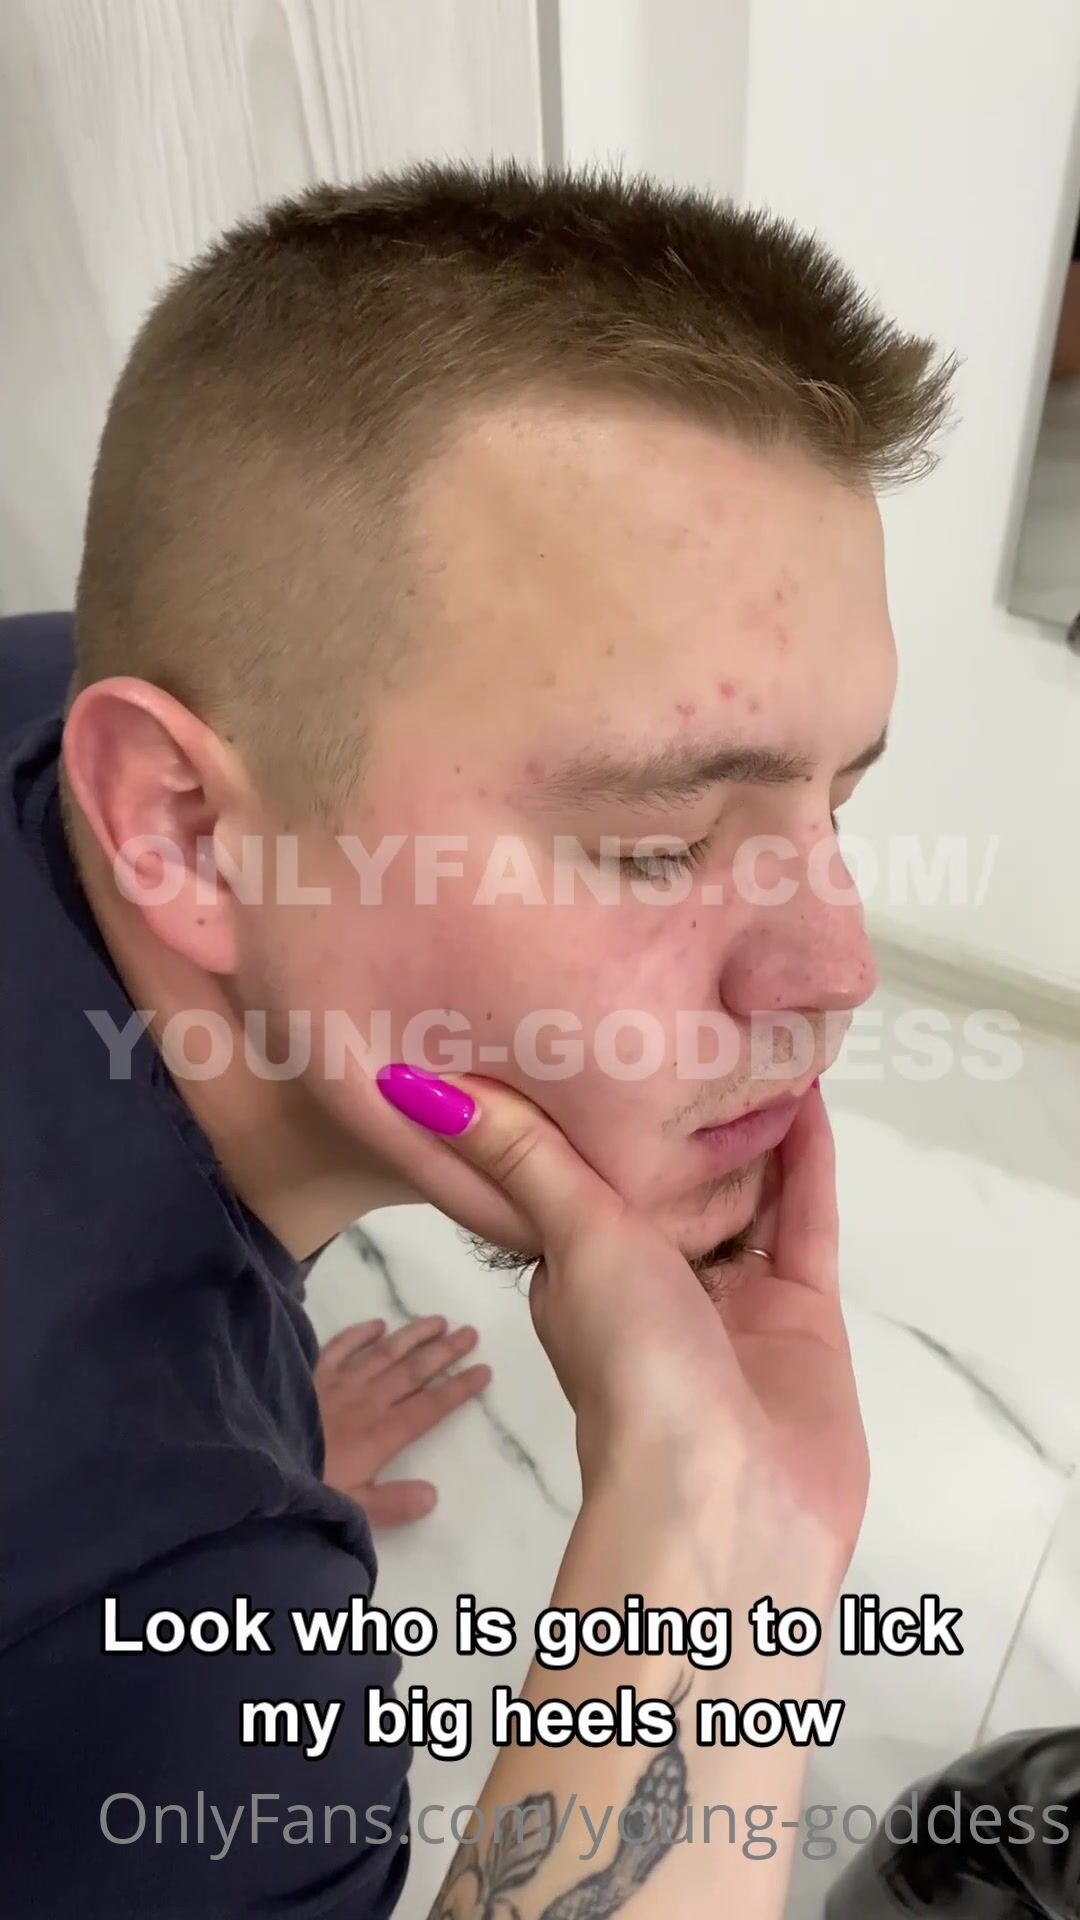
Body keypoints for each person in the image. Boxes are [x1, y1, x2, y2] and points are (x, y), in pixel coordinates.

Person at [0, 158, 954, 1916]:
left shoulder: (56, 689)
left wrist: (244, 1408)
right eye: (658, 843)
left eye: (834, 805)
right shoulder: (178, 1684)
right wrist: (723, 1575)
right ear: (185, 830)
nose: (837, 970)